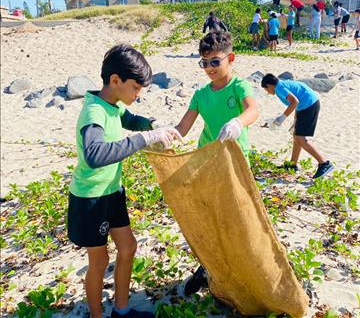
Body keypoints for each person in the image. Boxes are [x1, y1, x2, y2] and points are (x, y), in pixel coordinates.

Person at [67, 44, 181, 318]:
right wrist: (144, 139)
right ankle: (97, 315)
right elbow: (94, 155)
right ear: (115, 80)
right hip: (91, 198)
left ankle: (121, 309)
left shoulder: (111, 104)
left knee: (128, 247)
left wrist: (152, 125)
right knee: (99, 260)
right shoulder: (93, 113)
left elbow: (128, 118)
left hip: (112, 191)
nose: (138, 95)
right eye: (136, 89)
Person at [175, 31, 259, 295]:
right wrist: (162, 135)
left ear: (230, 58)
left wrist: (237, 122)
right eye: (204, 62)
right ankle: (207, 267)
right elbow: (183, 127)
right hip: (206, 162)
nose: (209, 68)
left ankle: (239, 268)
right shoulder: (201, 94)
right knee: (208, 219)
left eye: (215, 62)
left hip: (234, 163)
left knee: (235, 218)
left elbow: (253, 110)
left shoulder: (239, 86)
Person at [261, 73, 334, 179]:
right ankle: (293, 164)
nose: (267, 92)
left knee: (300, 138)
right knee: (296, 135)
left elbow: (294, 101)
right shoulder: (282, 84)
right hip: (306, 105)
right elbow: (297, 102)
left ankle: (324, 163)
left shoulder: (279, 88)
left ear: (269, 85)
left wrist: (281, 118)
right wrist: (295, 121)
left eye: (266, 89)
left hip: (309, 105)